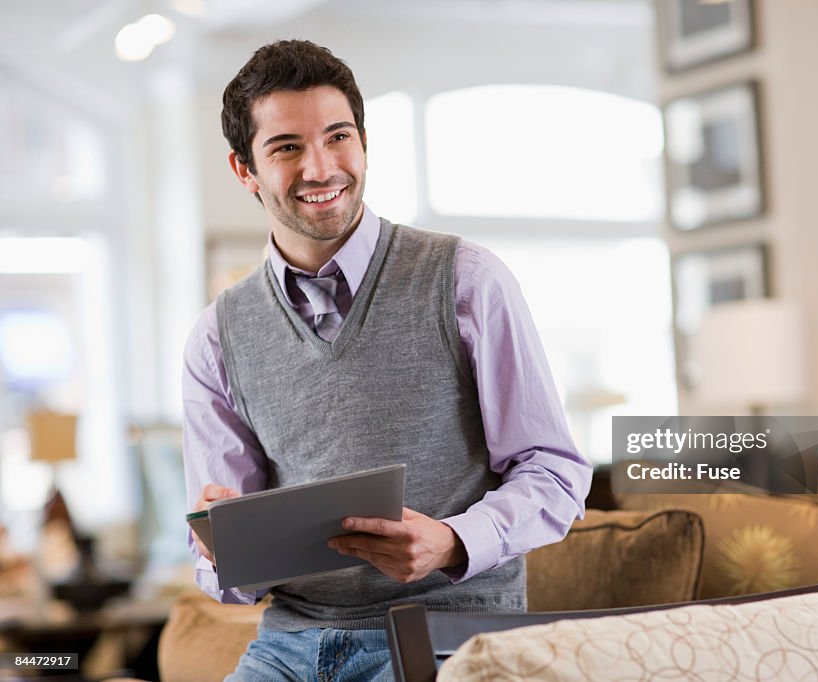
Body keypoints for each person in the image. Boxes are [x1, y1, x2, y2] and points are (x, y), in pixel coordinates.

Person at [181, 39, 592, 681]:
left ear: (364, 144)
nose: (320, 168)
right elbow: (218, 558)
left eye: (337, 137)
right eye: (286, 147)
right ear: (245, 170)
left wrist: (453, 541)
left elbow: (556, 475)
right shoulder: (217, 336)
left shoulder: (466, 279)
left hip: (450, 631)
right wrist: (223, 555)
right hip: (289, 646)